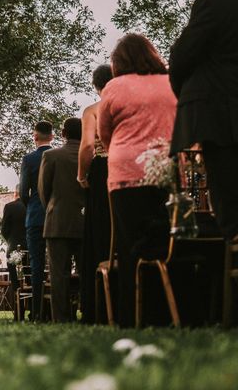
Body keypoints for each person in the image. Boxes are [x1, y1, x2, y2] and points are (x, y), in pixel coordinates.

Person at [98, 33, 177, 328]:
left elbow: (105, 134)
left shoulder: (114, 87)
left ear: (118, 63)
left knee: (129, 245)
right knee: (167, 244)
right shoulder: (171, 83)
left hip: (126, 174)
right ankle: (168, 312)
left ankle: (131, 317)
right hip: (166, 171)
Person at [169, 0, 238, 243]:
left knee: (230, 208)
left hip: (221, 119)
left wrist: (187, 98)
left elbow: (181, 57)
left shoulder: (214, 3)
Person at [77, 64, 113, 324]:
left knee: (100, 232)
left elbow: (88, 146)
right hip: (130, 168)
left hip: (102, 171)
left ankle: (99, 304)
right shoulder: (128, 106)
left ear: (96, 86)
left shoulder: (93, 111)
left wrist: (81, 176)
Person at [39, 117, 85, 323]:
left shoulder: (51, 155)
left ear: (64, 134)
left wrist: (52, 208)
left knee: (59, 275)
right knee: (87, 271)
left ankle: (62, 318)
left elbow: (43, 191)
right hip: (85, 222)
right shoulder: (92, 157)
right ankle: (90, 312)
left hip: (56, 221)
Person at [19, 121, 53, 321]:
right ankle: (57, 309)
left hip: (35, 216)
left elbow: (23, 191)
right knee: (59, 263)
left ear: (35, 136)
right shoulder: (57, 155)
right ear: (52, 136)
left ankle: (38, 312)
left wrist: (31, 204)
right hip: (56, 215)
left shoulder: (29, 159)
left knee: (37, 265)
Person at [0, 185, 27, 320]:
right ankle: (35, 312)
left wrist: (10, 240)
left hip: (13, 248)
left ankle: (19, 314)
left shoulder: (9, 207)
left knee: (15, 282)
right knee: (31, 280)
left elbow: (3, 229)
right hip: (30, 249)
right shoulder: (31, 206)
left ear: (15, 193)